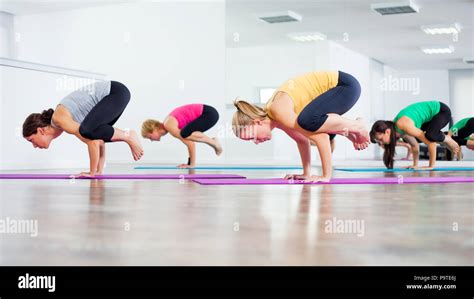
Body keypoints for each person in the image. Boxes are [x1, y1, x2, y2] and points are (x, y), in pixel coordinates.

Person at [232, 71, 369, 182]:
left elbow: (321, 137)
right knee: (310, 123)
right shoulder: (275, 116)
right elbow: (301, 140)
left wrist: (326, 176)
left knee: (308, 122)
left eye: (252, 137)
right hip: (343, 89)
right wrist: (306, 173)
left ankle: (357, 125)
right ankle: (353, 129)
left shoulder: (277, 110)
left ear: (257, 122)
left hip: (345, 86)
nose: (256, 142)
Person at [23, 80, 144, 177]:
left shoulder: (59, 119)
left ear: (41, 130)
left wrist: (91, 173)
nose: (33, 145)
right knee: (93, 132)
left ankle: (129, 135)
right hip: (118, 93)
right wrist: (98, 172)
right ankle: (128, 134)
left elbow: (92, 143)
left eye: (31, 140)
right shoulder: (63, 121)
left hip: (114, 93)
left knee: (86, 131)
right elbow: (98, 141)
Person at [370, 101, 459, 169]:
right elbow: (414, 145)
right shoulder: (399, 131)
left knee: (430, 136)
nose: (381, 143)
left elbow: (431, 143)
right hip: (428, 119)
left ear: (387, 132)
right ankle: (444, 139)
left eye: (381, 139)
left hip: (441, 111)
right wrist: (414, 165)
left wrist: (431, 166)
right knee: (423, 138)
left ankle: (447, 138)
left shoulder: (402, 125)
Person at [141, 104, 221, 168]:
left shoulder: (169, 125)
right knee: (185, 133)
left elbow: (190, 144)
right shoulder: (168, 123)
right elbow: (189, 141)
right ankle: (214, 142)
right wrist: (189, 163)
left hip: (208, 114)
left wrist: (191, 165)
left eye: (149, 137)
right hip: (209, 113)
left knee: (184, 134)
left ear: (153, 129)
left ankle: (214, 142)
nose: (151, 140)